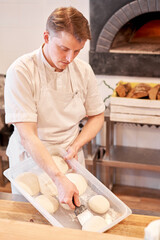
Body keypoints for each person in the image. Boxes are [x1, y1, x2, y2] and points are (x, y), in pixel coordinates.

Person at [4, 7, 105, 209]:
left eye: (77, 51)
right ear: (46, 37)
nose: (70, 58)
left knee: (73, 217)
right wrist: (58, 178)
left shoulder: (83, 70)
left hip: (70, 156)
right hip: (31, 160)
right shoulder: (22, 71)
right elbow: (28, 135)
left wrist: (76, 145)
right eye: (64, 48)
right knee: (32, 218)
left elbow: (97, 115)